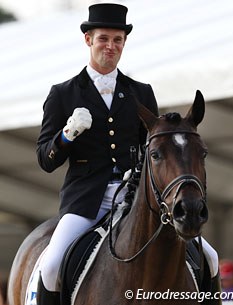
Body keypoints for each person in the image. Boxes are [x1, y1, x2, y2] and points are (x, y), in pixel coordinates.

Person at [36, 3, 158, 305]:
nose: (111, 46)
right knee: (51, 267)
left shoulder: (141, 92)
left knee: (206, 255)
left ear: (124, 43)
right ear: (88, 39)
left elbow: (153, 149)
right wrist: (67, 135)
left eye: (118, 40)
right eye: (103, 38)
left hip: (135, 198)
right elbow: (45, 160)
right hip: (86, 200)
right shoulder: (62, 93)